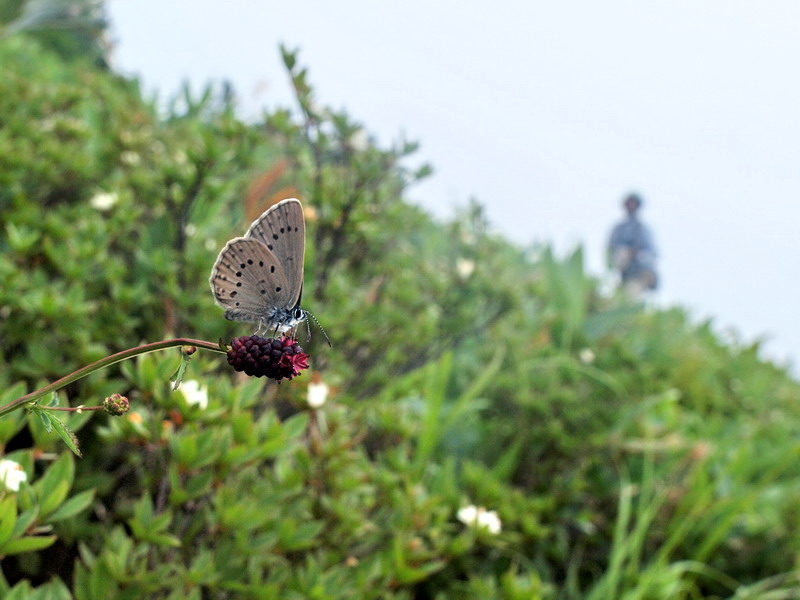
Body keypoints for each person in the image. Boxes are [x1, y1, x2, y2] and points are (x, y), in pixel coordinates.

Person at [608, 193, 658, 297]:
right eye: (629, 204)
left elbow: (652, 254)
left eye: (633, 204)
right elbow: (610, 250)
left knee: (632, 296)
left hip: (639, 274)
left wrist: (634, 253)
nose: (631, 207)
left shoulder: (642, 229)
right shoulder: (619, 229)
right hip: (623, 275)